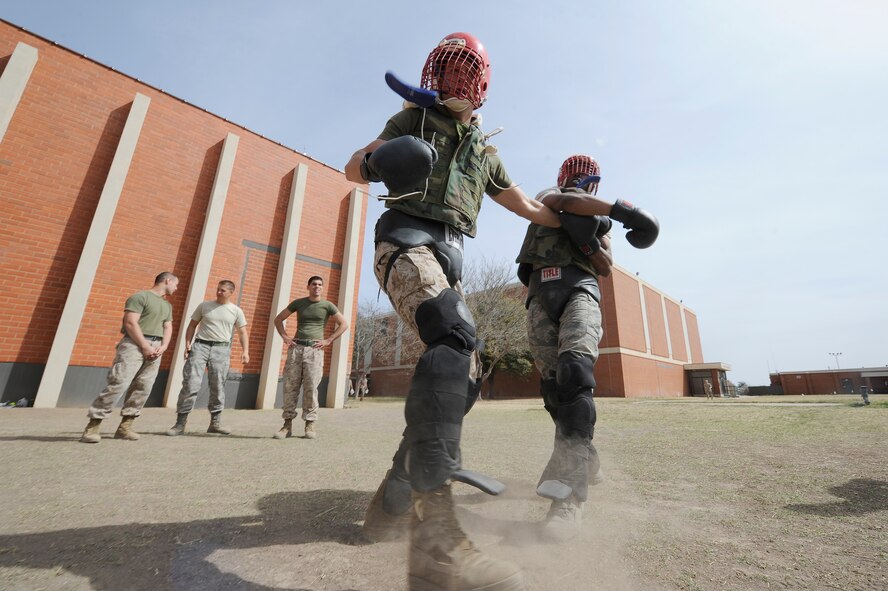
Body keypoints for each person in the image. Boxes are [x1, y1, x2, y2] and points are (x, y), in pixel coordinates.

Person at [344, 32, 658, 590]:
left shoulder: (485, 152)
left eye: (470, 74)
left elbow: (535, 207)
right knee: (456, 340)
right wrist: (375, 164)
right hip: (405, 243)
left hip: (449, 261)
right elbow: (352, 166)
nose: (459, 83)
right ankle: (435, 544)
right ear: (434, 75)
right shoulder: (410, 122)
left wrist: (607, 218)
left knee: (460, 378)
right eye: (451, 72)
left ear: (482, 85)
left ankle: (391, 503)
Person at [516, 154, 659, 541]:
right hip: (539, 294)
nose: (583, 182)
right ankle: (587, 457)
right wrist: (620, 210)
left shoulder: (598, 223)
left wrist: (586, 239)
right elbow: (564, 203)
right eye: (577, 175)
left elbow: (606, 264)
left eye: (589, 177)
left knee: (575, 375)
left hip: (580, 289)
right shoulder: (549, 195)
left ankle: (568, 498)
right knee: (554, 392)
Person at [80, 272, 179, 443]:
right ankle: (93, 426)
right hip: (133, 345)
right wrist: (144, 345)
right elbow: (130, 323)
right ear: (167, 281)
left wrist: (163, 346)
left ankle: (125, 426)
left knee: (143, 386)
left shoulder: (167, 306)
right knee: (119, 383)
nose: (176, 288)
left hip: (156, 347)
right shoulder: (140, 297)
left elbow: (167, 327)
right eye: (175, 284)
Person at [166, 280, 250, 437]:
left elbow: (243, 332)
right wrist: (187, 344)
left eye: (223, 290)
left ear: (231, 292)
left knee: (218, 385)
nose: (219, 292)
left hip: (221, 349)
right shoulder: (204, 306)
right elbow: (192, 325)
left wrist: (245, 351)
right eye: (218, 289)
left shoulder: (236, 311)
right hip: (200, 347)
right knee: (191, 383)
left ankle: (215, 423)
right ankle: (180, 423)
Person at [272, 276, 348, 440]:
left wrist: (328, 340)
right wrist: (285, 337)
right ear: (308, 287)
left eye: (320, 284)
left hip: (315, 351)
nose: (317, 287)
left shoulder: (327, 305)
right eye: (314, 284)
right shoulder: (298, 303)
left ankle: (310, 424)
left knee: (311, 387)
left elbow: (344, 324)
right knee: (290, 386)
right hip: (296, 348)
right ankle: (287, 425)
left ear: (322, 287)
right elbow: (278, 320)